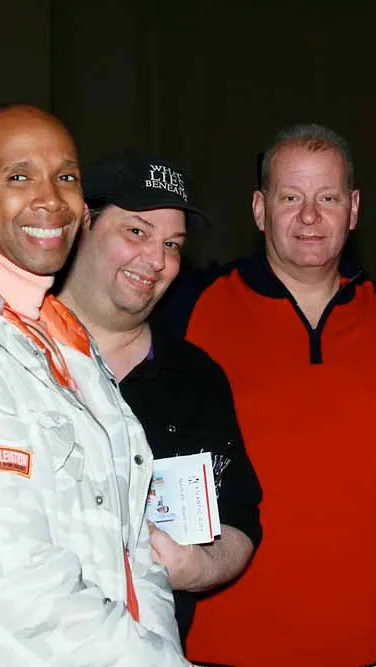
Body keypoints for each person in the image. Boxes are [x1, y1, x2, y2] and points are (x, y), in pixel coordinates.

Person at [0, 105, 188, 666]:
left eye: (65, 176)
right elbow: (5, 589)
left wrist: (160, 650)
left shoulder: (46, 326)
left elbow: (129, 544)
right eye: (18, 177)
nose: (50, 199)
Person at [177, 124, 376, 666]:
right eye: (290, 198)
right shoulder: (189, 311)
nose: (309, 217)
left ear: (353, 209)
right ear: (260, 209)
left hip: (374, 648)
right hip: (224, 649)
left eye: (327, 198)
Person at [57, 152, 262, 646]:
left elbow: (240, 520)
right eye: (137, 232)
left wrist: (197, 566)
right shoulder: (13, 353)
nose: (156, 260)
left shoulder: (195, 378)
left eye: (172, 244)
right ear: (82, 224)